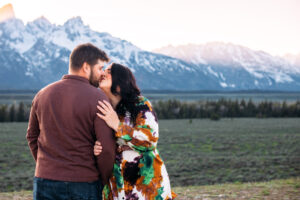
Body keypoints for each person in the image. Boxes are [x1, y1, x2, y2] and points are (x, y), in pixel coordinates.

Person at [26, 43, 116, 200]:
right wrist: (102, 179)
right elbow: (106, 149)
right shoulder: (98, 98)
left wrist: (46, 167)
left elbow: (32, 137)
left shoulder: (42, 94)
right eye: (100, 68)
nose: (102, 73)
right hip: (84, 182)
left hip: (44, 181)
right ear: (86, 67)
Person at [93, 63, 176, 199]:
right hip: (116, 187)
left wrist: (117, 126)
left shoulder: (140, 104)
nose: (103, 74)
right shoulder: (104, 109)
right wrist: (98, 148)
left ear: (120, 82)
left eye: (109, 71)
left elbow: (149, 139)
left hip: (145, 185)